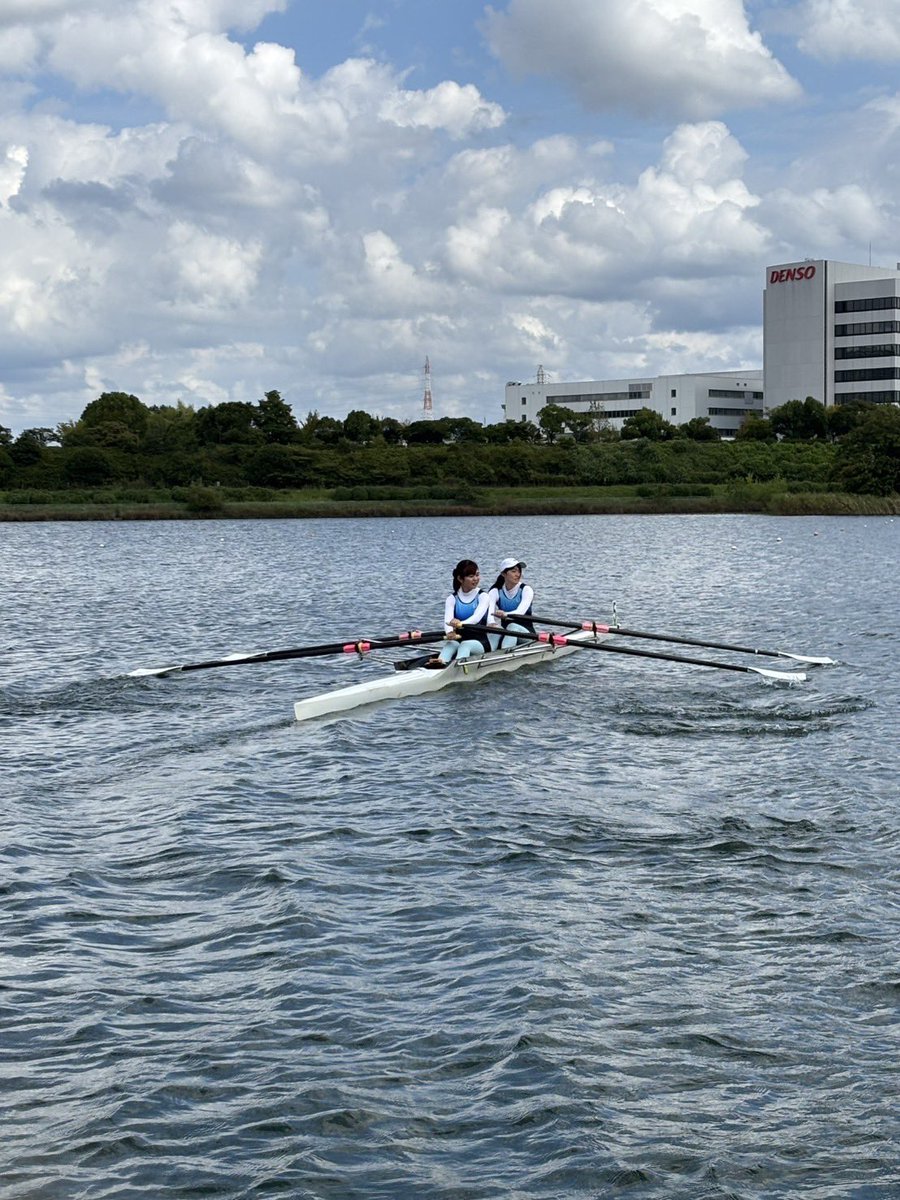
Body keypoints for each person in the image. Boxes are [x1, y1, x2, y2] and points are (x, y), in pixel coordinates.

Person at [426, 559, 492, 668]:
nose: (476, 579)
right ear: (460, 579)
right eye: (471, 576)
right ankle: (438, 666)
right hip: (459, 638)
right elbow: (448, 621)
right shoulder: (452, 598)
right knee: (450, 644)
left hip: (480, 642)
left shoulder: (483, 596)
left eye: (477, 575)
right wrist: (450, 632)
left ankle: (453, 670)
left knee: (465, 645)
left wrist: (458, 624)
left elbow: (476, 618)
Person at [487, 557, 534, 651]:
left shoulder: (526, 590)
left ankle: (504, 655)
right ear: (503, 574)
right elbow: (489, 612)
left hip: (527, 635)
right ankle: (486, 656)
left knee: (512, 626)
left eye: (519, 571)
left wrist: (506, 615)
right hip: (507, 633)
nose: (518, 574)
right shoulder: (495, 591)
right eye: (513, 571)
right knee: (494, 630)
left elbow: (520, 612)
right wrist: (491, 622)